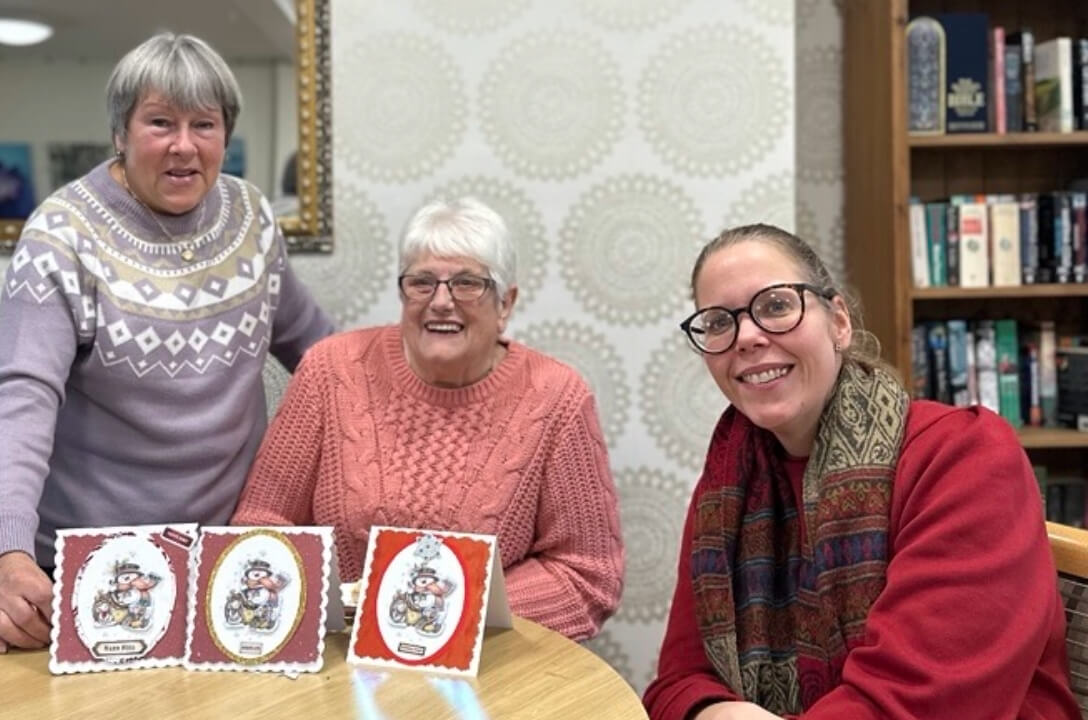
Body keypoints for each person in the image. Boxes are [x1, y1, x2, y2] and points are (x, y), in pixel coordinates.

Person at [0, 32, 333, 653]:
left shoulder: (251, 216)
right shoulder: (61, 233)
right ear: (119, 133)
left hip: (226, 556)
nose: (184, 145)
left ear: (226, 134)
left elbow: (318, 351)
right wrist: (6, 553)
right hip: (93, 564)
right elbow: (18, 398)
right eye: (160, 122)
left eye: (204, 124)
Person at [642, 224, 1077, 719]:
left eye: (777, 305)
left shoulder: (964, 457)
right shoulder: (726, 487)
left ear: (839, 322)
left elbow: (924, 704)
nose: (746, 336)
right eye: (719, 322)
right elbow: (677, 682)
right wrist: (713, 712)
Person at [232, 197, 624, 640]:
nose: (441, 301)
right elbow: (262, 521)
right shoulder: (331, 370)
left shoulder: (558, 398)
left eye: (467, 283)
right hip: (338, 656)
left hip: (488, 667)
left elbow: (588, 577)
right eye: (422, 282)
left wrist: (459, 609)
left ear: (505, 304)